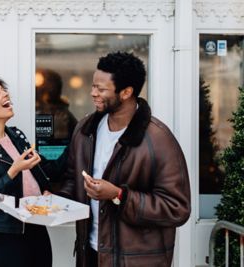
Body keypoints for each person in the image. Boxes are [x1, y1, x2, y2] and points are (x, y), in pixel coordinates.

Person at [58, 52, 191, 267]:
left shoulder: (159, 140)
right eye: (93, 86)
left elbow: (177, 208)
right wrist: (55, 201)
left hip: (136, 261)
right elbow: (72, 179)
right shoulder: (85, 130)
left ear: (126, 92)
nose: (93, 93)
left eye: (101, 89)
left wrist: (119, 195)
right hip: (90, 254)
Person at [0, 70, 64, 267]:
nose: (5, 94)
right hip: (7, 238)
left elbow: (46, 172)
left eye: (3, 90)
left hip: (37, 228)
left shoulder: (17, 136)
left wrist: (78, 139)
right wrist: (12, 171)